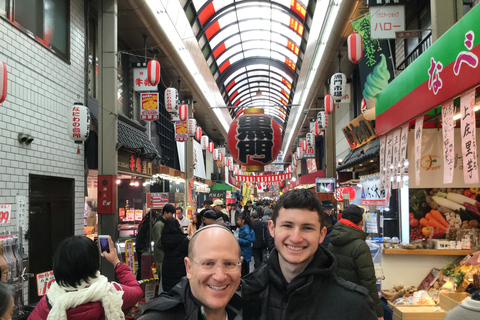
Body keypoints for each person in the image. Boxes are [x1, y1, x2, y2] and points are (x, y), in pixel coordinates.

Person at [241, 189, 377, 320]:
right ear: (272, 229)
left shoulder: (355, 305)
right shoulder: (245, 295)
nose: (296, 238)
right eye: (287, 226)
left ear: (321, 234)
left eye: (307, 228)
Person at [138, 225, 243, 320]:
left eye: (229, 264)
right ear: (189, 268)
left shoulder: (252, 309)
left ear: (240, 267)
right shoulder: (159, 317)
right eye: (208, 264)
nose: (220, 276)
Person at [29, 235, 143, 319]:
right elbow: (137, 291)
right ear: (93, 263)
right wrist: (116, 262)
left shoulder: (49, 302)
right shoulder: (110, 291)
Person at [328, 205, 384, 319]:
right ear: (361, 222)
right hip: (357, 304)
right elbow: (368, 281)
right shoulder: (360, 246)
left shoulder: (332, 242)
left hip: (335, 302)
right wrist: (378, 312)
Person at [161, 218, 189, 293]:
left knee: (168, 290)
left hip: (167, 267)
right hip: (180, 268)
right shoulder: (184, 240)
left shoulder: (163, 239)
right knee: (180, 290)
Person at [152, 204, 176, 287]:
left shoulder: (163, 223)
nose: (172, 216)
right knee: (162, 280)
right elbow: (159, 242)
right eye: (171, 214)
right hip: (161, 257)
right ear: (165, 213)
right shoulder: (159, 225)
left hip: (164, 256)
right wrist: (170, 244)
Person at [135, 210, 158, 280]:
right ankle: (139, 281)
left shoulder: (144, 222)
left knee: (140, 266)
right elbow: (149, 237)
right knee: (142, 267)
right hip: (142, 248)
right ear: (152, 217)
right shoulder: (148, 224)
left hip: (139, 247)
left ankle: (138, 281)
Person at [236, 212, 255, 277]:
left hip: (245, 253)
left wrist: (238, 240)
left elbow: (248, 241)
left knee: (244, 271)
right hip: (244, 252)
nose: (237, 221)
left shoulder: (245, 230)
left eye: (238, 220)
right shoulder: (242, 229)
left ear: (243, 220)